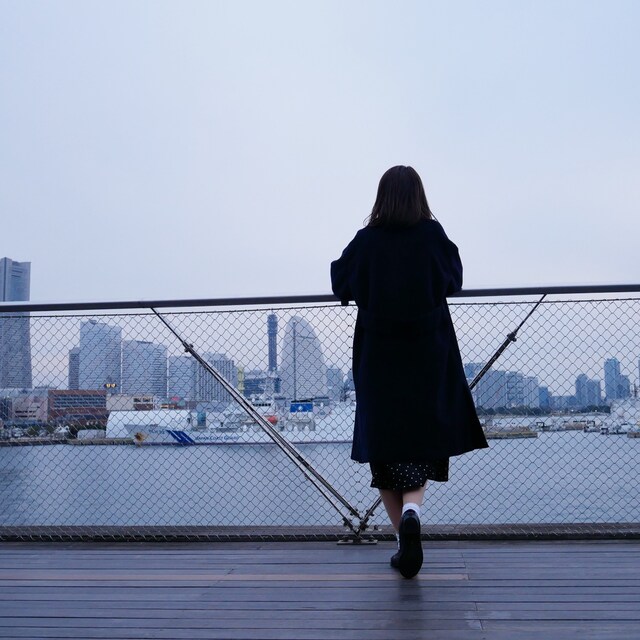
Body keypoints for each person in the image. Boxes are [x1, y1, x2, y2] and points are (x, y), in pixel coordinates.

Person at [330, 165, 489, 579]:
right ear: (420, 196)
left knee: (383, 450)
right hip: (427, 356)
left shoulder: (367, 241)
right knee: (420, 444)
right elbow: (453, 279)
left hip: (379, 360)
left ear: (381, 198)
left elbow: (340, 281)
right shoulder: (433, 236)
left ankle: (403, 539)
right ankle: (413, 511)